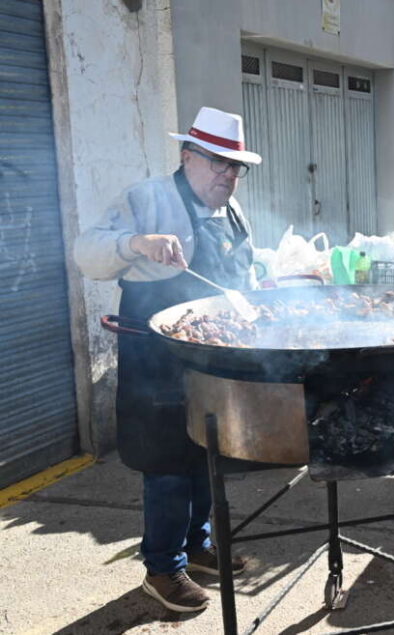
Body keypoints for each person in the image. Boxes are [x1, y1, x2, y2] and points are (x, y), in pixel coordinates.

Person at [74, 107, 258, 613]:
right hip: (156, 352)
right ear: (188, 156)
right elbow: (87, 252)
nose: (228, 175)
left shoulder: (232, 209)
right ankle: (162, 568)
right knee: (167, 460)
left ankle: (197, 546)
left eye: (235, 166)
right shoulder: (147, 198)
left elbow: (243, 274)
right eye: (218, 163)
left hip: (212, 354)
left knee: (205, 450)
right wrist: (138, 242)